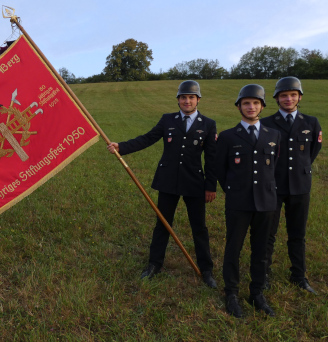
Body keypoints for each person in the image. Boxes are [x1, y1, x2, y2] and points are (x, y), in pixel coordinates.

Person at [107, 80, 218, 288]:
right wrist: (121, 146)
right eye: (183, 97)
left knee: (199, 227)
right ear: (178, 100)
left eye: (191, 97)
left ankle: (207, 269)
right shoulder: (167, 120)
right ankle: (154, 264)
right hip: (168, 182)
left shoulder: (208, 124)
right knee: (162, 224)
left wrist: (211, 186)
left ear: (198, 100)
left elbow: (212, 158)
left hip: (195, 183)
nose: (187, 101)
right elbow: (148, 138)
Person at [215, 84, 281, 318]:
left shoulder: (273, 135)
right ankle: (231, 293)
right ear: (238, 106)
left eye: (255, 103)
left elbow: (275, 166)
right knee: (233, 248)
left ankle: (257, 293)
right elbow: (219, 170)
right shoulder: (227, 137)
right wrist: (233, 191)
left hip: (266, 201)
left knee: (261, 250)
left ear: (262, 106)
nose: (251, 107)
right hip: (239, 201)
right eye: (246, 103)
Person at [261, 77, 322, 294]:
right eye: (284, 95)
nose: (288, 99)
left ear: (299, 97)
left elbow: (313, 151)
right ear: (277, 98)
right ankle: (264, 275)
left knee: (298, 234)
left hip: (300, 186)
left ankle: (299, 276)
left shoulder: (311, 123)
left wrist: (300, 169)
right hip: (274, 186)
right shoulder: (266, 123)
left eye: (293, 95)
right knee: (268, 233)